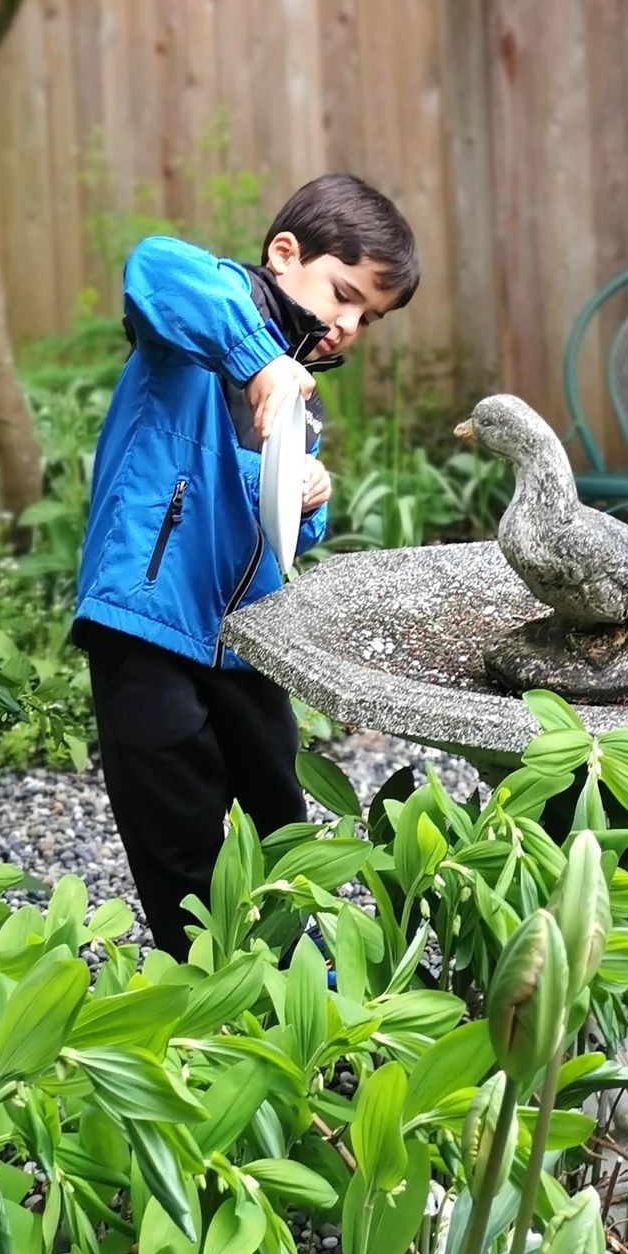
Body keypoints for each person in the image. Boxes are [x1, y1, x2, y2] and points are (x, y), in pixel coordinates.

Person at [72, 172, 420, 954]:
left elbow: (275, 523)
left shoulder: (301, 398)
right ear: (284, 254)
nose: (348, 323)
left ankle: (296, 968)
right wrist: (258, 359)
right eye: (343, 292)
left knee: (279, 811)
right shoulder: (203, 314)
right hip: (149, 619)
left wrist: (311, 498)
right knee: (177, 822)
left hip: (246, 638)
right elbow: (153, 264)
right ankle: (204, 979)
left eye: (368, 315)